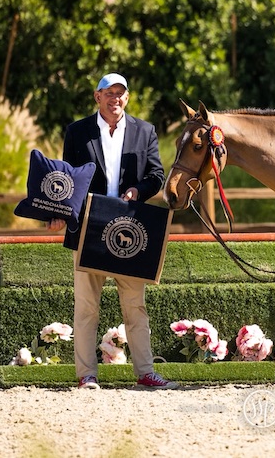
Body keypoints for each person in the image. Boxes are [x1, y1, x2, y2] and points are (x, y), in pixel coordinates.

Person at [48, 72, 178, 390]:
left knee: (135, 305)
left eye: (121, 93)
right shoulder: (77, 132)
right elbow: (69, 178)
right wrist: (60, 213)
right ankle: (87, 375)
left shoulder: (145, 131)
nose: (115, 98)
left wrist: (137, 190)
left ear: (127, 98)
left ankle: (146, 373)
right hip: (87, 229)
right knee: (86, 306)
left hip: (129, 230)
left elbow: (156, 175)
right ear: (98, 97)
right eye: (109, 93)